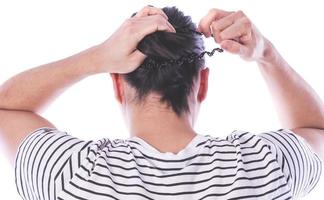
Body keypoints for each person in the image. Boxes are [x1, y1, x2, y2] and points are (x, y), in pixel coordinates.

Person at [0, 5, 322, 200]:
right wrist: (266, 53)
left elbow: (7, 107)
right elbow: (315, 128)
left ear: (117, 85)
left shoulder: (70, 174)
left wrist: (98, 57)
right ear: (202, 84)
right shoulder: (262, 166)